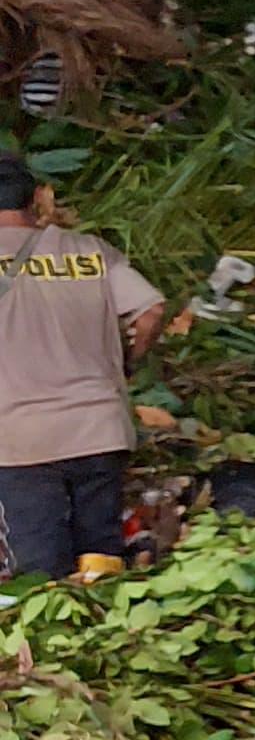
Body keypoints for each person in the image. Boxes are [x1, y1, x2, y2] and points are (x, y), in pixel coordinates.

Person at [0, 152, 165, 582]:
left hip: (21, 441)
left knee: (41, 575)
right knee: (102, 561)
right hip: (100, 429)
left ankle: (56, 640)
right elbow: (150, 311)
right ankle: (109, 628)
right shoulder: (90, 251)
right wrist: (125, 364)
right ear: (37, 199)